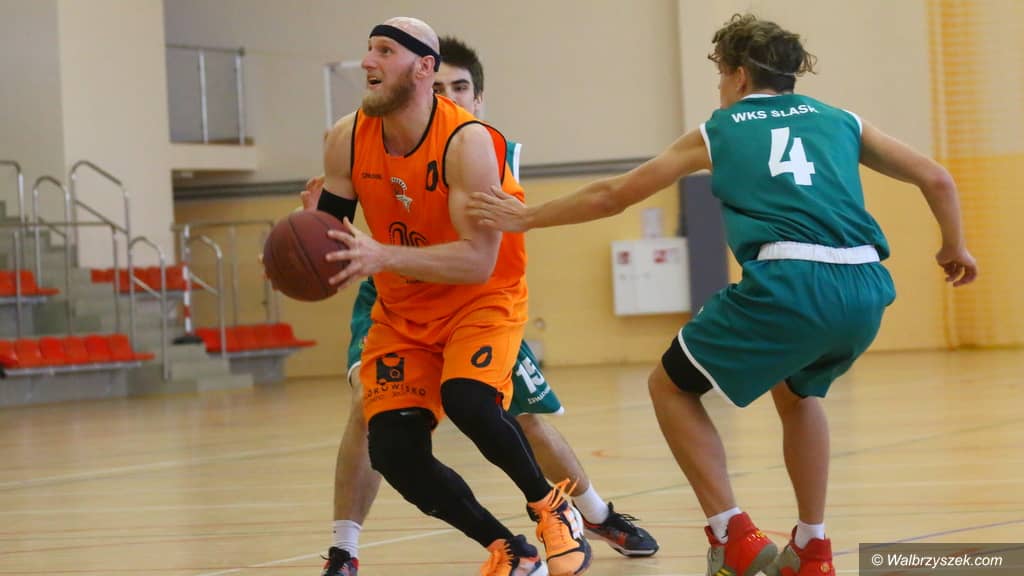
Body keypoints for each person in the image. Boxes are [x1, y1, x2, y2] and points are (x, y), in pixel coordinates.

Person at [466, 13, 978, 576]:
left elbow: (614, 195)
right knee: (799, 393)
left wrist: (528, 216)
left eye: (719, 76)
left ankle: (731, 533)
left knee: (670, 386)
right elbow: (937, 178)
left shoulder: (723, 127)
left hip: (790, 281)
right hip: (866, 286)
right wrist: (953, 246)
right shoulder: (842, 120)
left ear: (738, 75)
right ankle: (812, 547)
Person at [312, 35, 659, 576]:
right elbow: (331, 224)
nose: (449, 95)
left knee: (500, 409)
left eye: (460, 87)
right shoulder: (354, 137)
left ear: (477, 98)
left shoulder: (475, 145)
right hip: (394, 289)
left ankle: (586, 514)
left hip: (479, 296)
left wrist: (379, 251)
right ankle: (352, 547)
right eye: (441, 86)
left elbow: (478, 259)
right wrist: (305, 241)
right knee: (380, 427)